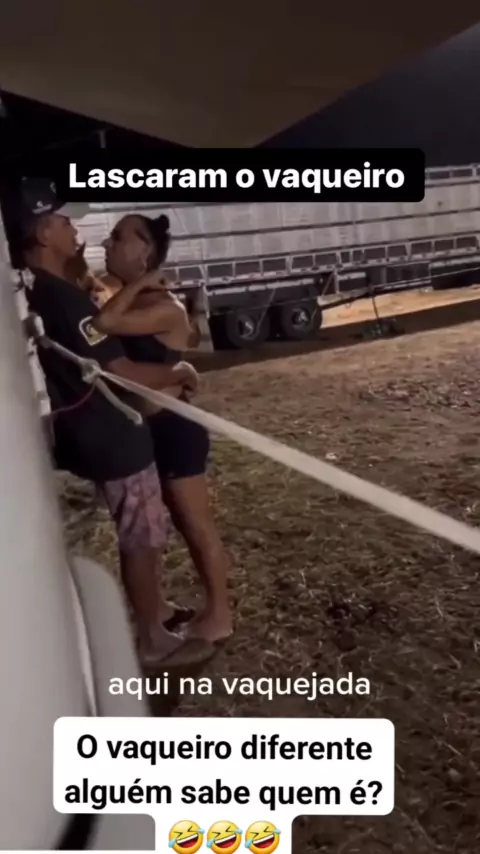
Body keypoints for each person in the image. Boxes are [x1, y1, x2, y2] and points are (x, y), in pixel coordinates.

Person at [16, 194, 213, 668]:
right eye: (65, 223)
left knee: (145, 528)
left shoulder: (47, 288)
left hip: (93, 428)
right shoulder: (66, 297)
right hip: (115, 434)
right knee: (142, 536)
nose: (78, 232)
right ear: (44, 234)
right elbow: (121, 371)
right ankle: (153, 640)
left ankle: (156, 611)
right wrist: (179, 372)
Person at [92, 213, 233, 644]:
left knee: (196, 526)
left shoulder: (164, 308)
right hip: (150, 429)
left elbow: (104, 324)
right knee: (163, 528)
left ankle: (220, 616)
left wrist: (139, 282)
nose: (107, 243)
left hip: (175, 430)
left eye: (118, 237)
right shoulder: (134, 299)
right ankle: (165, 610)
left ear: (146, 251)